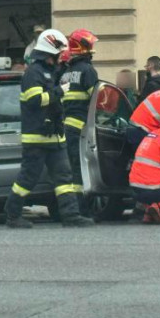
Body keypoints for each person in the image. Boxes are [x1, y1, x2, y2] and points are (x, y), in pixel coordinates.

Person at [4, 28, 94, 229]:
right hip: (36, 138)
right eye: (60, 50)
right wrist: (58, 91)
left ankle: (71, 216)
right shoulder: (33, 73)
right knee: (27, 179)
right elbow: (36, 100)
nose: (63, 54)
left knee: (64, 178)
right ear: (50, 50)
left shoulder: (53, 72)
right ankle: (12, 214)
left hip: (55, 137)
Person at [60, 29, 99, 215]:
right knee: (81, 170)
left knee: (74, 168)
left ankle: (74, 208)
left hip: (67, 127)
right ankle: (82, 210)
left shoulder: (66, 73)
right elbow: (98, 100)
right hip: (83, 127)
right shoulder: (88, 70)